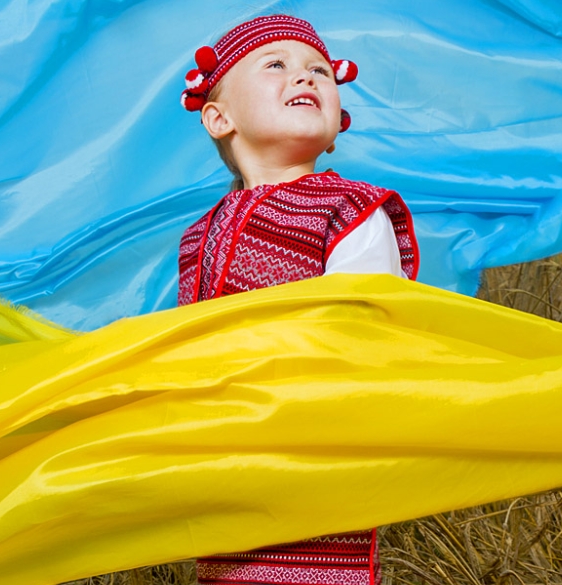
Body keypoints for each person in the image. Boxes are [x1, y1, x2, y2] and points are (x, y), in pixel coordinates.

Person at [175, 14, 420, 585]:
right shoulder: (197, 238)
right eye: (277, 65)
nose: (305, 78)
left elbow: (367, 338)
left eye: (319, 71)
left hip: (315, 461)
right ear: (219, 117)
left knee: (307, 571)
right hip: (222, 469)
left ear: (336, 127)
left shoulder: (351, 210)